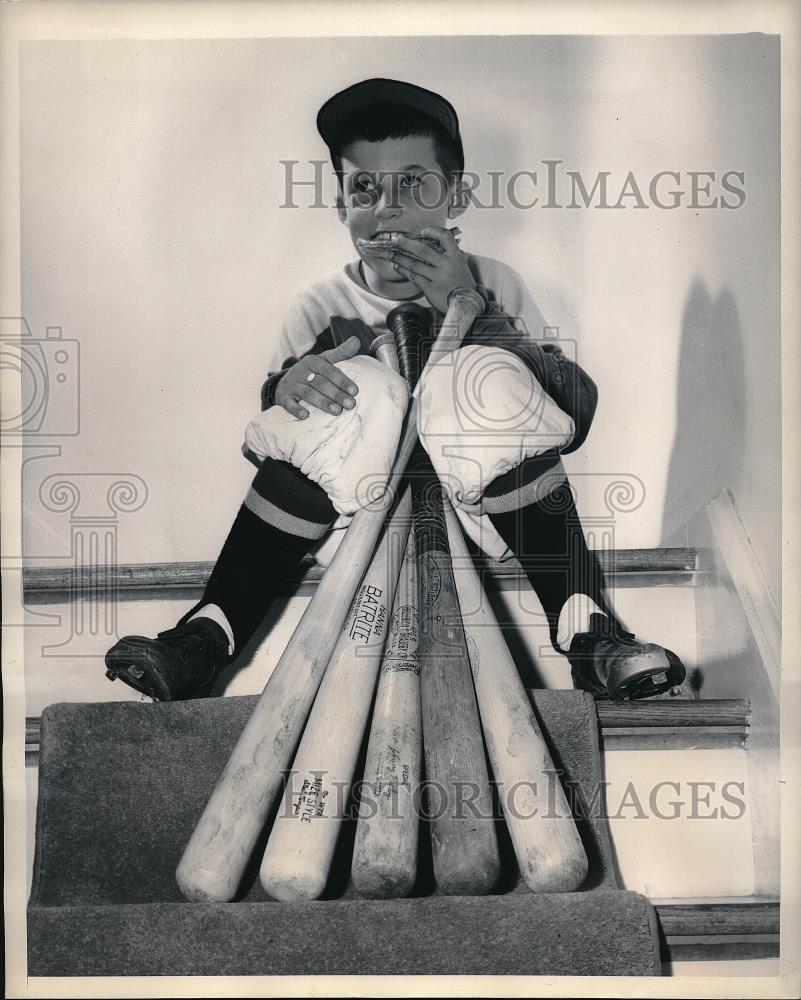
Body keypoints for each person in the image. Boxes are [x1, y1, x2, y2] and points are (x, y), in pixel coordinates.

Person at [105, 78, 685, 702]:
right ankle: (207, 635)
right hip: (356, 522)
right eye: (364, 187)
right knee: (357, 383)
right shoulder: (320, 302)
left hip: (481, 515)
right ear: (340, 204)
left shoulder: (495, 282)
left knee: (478, 383)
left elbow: (574, 410)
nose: (387, 208)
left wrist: (467, 306)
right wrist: (287, 388)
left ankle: (587, 630)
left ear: (455, 196)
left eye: (413, 182)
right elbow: (279, 446)